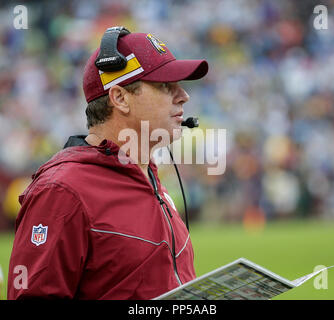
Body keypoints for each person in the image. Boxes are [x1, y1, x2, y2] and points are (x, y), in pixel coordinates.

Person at [7, 28, 208, 299]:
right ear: (120, 98)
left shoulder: (146, 173)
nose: (183, 95)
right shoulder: (62, 190)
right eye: (164, 85)